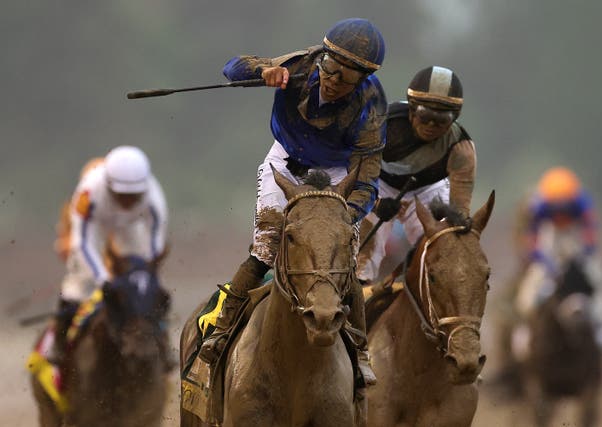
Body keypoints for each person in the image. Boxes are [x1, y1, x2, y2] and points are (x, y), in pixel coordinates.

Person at [198, 18, 387, 385]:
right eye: (330, 72)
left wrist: (344, 217)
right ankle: (221, 334)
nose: (332, 83)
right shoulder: (301, 64)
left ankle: (360, 352)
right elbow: (232, 68)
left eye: (344, 81)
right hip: (283, 163)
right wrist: (264, 70)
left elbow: (367, 178)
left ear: (361, 81)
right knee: (266, 248)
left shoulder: (372, 107)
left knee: (344, 258)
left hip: (336, 174)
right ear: (323, 59)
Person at [48, 146, 171, 368]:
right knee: (79, 283)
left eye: (134, 197)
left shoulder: (154, 198)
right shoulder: (88, 192)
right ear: (108, 185)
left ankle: (162, 340)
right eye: (122, 196)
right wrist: (104, 279)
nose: (127, 202)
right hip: (94, 227)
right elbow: (83, 242)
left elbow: (154, 246)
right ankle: (58, 343)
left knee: (143, 286)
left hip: (130, 228)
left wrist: (145, 274)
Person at [356, 66, 476, 284]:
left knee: (445, 244)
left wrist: (458, 226)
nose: (431, 126)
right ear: (411, 110)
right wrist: (375, 203)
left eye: (441, 121)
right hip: (378, 182)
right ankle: (358, 286)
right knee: (365, 247)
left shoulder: (461, 148)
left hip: (427, 188)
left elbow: (459, 211)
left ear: (454, 119)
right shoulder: (382, 123)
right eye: (425, 117)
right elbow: (354, 171)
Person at [514, 167, 602, 350]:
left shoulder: (582, 202)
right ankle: (525, 328)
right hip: (550, 235)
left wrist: (584, 256)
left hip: (574, 235)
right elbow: (532, 240)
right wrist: (545, 262)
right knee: (533, 282)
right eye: (556, 205)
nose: (560, 209)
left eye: (564, 204)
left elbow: (590, 232)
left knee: (596, 278)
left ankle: (601, 327)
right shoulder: (539, 205)